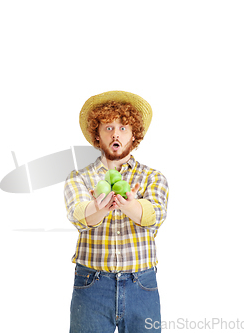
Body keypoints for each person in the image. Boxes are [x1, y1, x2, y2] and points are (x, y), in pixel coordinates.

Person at [64, 91, 169, 332]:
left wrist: (129, 204)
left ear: (134, 136)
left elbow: (154, 216)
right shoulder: (79, 178)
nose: (116, 134)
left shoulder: (153, 178)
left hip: (141, 285)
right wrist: (98, 207)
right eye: (108, 128)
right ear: (97, 136)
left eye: (123, 128)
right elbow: (79, 215)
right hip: (91, 285)